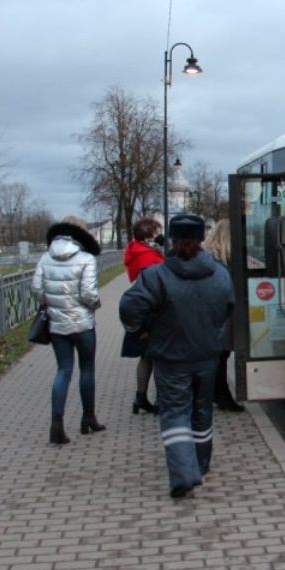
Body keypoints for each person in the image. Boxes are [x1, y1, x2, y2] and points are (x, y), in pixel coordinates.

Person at [119, 214, 235, 499]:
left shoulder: (156, 275)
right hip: (208, 355)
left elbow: (129, 308)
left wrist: (141, 329)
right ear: (199, 240)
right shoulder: (220, 273)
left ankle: (184, 473)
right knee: (202, 410)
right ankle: (201, 464)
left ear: (171, 239)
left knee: (174, 413)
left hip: (170, 357)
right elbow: (228, 306)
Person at [31, 215, 105, 445]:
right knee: (87, 369)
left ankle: (57, 424)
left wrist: (52, 305)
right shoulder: (86, 258)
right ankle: (88, 417)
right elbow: (88, 294)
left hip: (56, 324)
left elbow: (36, 289)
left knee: (63, 370)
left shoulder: (45, 257)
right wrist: (96, 305)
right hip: (82, 324)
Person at [122, 217, 165, 415]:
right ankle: (159, 400)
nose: (160, 236)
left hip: (143, 307)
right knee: (156, 355)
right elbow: (154, 284)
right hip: (151, 310)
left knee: (146, 356)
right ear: (148, 235)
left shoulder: (138, 251)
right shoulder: (147, 256)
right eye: (156, 232)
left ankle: (141, 397)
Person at [204, 219, 244, 412]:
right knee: (221, 356)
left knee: (220, 356)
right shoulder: (220, 262)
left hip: (210, 315)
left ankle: (217, 394)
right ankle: (221, 395)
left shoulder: (208, 257)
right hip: (219, 315)